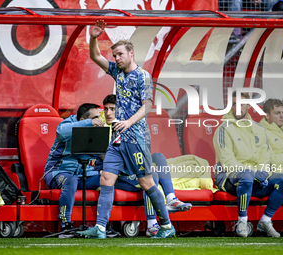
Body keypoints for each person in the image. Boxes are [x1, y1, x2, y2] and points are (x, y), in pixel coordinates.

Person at [77, 20, 175, 239]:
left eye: (120, 54)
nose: (117, 59)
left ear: (131, 53)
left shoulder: (143, 77)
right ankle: (100, 228)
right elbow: (95, 57)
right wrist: (93, 37)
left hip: (136, 138)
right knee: (106, 178)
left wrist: (129, 122)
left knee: (146, 182)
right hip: (118, 139)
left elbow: (147, 105)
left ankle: (167, 226)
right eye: (115, 56)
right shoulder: (117, 73)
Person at [99, 94, 192, 236]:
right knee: (151, 174)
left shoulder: (127, 126)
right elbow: (109, 159)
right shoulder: (103, 128)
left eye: (112, 109)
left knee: (158, 157)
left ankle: (171, 198)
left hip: (131, 172)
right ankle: (151, 224)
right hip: (119, 176)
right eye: (106, 109)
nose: (108, 113)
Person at [213, 91, 283, 237]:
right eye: (234, 104)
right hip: (229, 178)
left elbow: (265, 156)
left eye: (241, 104)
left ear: (248, 105)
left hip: (254, 178)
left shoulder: (260, 129)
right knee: (247, 175)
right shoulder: (223, 129)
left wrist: (263, 172)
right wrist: (254, 173)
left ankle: (265, 220)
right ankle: (242, 221)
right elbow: (227, 161)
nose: (238, 108)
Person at [43, 103, 104, 233]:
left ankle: (103, 224)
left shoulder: (95, 129)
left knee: (106, 178)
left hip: (82, 175)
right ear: (83, 120)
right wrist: (89, 123)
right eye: (95, 118)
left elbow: (102, 153)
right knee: (71, 180)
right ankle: (66, 224)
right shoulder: (67, 124)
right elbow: (61, 133)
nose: (98, 120)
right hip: (56, 172)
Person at [259, 98, 283, 195]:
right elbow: (271, 160)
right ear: (267, 115)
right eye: (277, 113)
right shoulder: (261, 132)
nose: (282, 116)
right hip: (281, 175)